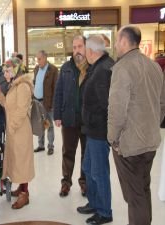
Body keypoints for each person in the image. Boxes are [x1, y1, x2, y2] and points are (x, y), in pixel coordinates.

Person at [108, 25, 165, 225]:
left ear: (124, 42)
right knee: (142, 189)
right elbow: (162, 104)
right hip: (150, 142)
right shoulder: (155, 66)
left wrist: (112, 138)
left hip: (130, 147)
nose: (115, 45)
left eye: (116, 41)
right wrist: (151, 126)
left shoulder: (122, 68)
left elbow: (116, 110)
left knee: (134, 197)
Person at [77, 35, 114, 224]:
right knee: (88, 168)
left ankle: (105, 212)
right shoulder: (98, 67)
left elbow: (107, 105)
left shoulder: (103, 70)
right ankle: (94, 202)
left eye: (84, 50)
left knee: (99, 171)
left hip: (99, 132)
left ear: (91, 51)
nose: (83, 54)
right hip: (92, 130)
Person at [0, 57, 34, 209]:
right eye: (4, 71)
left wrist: (12, 126)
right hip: (14, 130)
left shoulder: (23, 86)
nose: (5, 74)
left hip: (20, 131)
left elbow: (22, 111)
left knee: (22, 162)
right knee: (17, 161)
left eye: (8, 70)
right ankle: (22, 189)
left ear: (16, 70)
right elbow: (9, 106)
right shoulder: (14, 85)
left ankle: (25, 195)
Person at [54, 35, 89, 197]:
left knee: (86, 153)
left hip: (87, 120)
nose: (77, 51)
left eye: (80, 47)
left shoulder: (92, 67)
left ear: (86, 47)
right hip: (68, 118)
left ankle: (84, 183)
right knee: (68, 152)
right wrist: (57, 115)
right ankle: (66, 183)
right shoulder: (66, 68)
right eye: (74, 48)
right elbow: (59, 92)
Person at [33, 50, 58, 155]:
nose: (38, 61)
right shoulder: (36, 69)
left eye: (39, 59)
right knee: (40, 124)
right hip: (37, 101)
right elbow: (35, 83)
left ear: (45, 58)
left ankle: (50, 146)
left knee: (49, 125)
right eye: (37, 59)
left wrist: (53, 103)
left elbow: (56, 87)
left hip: (47, 102)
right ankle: (41, 145)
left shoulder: (53, 70)